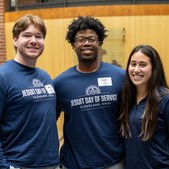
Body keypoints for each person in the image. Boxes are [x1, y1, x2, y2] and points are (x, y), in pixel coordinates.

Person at [0, 15, 59, 169]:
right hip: (18, 164)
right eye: (27, 35)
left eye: (39, 36)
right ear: (15, 40)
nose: (34, 41)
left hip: (51, 163)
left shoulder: (45, 77)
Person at [54, 16, 125, 169]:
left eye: (92, 39)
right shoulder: (60, 83)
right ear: (73, 44)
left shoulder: (120, 77)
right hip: (74, 164)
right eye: (81, 39)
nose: (86, 43)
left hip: (113, 162)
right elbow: (46, 120)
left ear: (99, 43)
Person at [119, 44, 169, 168]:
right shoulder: (127, 99)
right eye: (133, 64)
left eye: (143, 65)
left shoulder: (168, 100)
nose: (136, 69)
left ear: (154, 68)